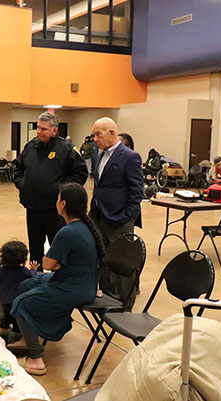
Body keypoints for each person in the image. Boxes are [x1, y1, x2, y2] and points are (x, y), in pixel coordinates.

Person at [11, 183, 103, 375]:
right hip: (82, 284)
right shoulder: (85, 226)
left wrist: (54, 263)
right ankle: (31, 335)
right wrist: (56, 264)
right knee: (26, 284)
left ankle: (35, 359)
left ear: (63, 204)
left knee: (20, 304)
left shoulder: (67, 232)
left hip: (72, 288)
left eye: (57, 199)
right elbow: (54, 264)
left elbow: (46, 264)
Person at [13, 112, 88, 268]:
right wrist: (22, 184)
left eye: (44, 129)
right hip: (33, 207)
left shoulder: (66, 149)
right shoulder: (31, 146)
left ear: (54, 131)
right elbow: (17, 168)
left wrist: (62, 189)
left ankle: (58, 281)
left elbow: (81, 173)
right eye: (38, 128)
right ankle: (36, 276)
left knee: (58, 248)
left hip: (56, 210)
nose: (39, 132)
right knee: (35, 247)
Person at [90, 117, 143, 307]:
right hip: (99, 217)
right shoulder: (98, 155)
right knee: (103, 260)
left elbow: (137, 191)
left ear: (112, 133)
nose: (95, 139)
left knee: (123, 263)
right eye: (94, 134)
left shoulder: (130, 157)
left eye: (99, 134)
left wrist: (127, 216)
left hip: (119, 219)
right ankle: (107, 298)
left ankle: (125, 303)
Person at [0, 240, 36, 344]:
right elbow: (33, 281)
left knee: (4, 321)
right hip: (18, 303)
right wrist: (33, 270)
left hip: (2, 302)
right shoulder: (24, 271)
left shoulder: (1, 271)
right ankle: (15, 340)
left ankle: (2, 339)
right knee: (17, 323)